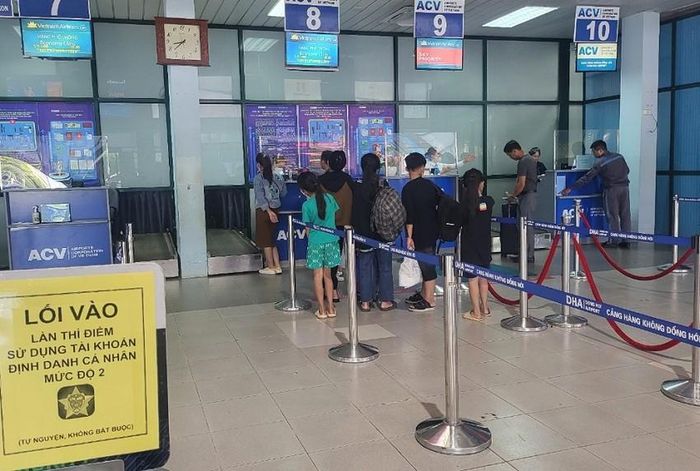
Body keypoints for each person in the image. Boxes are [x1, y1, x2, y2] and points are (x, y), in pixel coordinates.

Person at [561, 140, 631, 248]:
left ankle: (614, 241)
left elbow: (587, 178)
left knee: (612, 215)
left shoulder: (600, 163)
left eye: (593, 152)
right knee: (625, 215)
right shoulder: (619, 157)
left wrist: (571, 188)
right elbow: (627, 170)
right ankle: (626, 240)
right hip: (625, 188)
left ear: (600, 150)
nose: (593, 155)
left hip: (611, 190)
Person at [351, 153, 396, 312]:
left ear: (362, 166)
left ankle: (365, 302)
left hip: (363, 233)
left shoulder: (356, 186)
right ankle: (385, 301)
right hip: (383, 232)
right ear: (378, 167)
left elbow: (354, 212)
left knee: (364, 267)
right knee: (385, 267)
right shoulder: (383, 184)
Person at [298, 171, 340, 320]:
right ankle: (331, 308)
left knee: (317, 276)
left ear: (304, 190)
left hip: (316, 242)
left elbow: (308, 229)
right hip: (332, 241)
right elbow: (334, 217)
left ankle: (321, 310)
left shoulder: (306, 205)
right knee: (328, 276)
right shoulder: (330, 198)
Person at [402, 153, 440, 312]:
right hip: (432, 228)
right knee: (426, 263)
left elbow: (409, 215)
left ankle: (430, 300)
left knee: (427, 265)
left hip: (418, 231)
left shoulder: (407, 189)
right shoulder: (430, 185)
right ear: (422, 168)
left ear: (407, 168)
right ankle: (425, 294)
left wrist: (409, 236)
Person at [459, 169, 494, 321]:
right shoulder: (489, 201)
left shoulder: (464, 205)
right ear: (481, 184)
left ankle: (476, 312)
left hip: (469, 245)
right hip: (485, 243)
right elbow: (483, 205)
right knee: (483, 277)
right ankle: (485, 308)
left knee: (472, 279)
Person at [319, 150, 353, 301]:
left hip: (325, 225)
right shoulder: (349, 180)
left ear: (329, 162)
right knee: (336, 257)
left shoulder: (320, 181)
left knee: (324, 259)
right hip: (344, 225)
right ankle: (334, 291)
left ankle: (326, 289)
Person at [504, 140, 538, 263]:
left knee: (525, 226)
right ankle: (524, 253)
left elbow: (521, 183)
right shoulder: (529, 160)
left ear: (515, 151)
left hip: (527, 196)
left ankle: (528, 255)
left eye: (510, 155)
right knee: (523, 225)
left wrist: (513, 195)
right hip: (527, 195)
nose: (511, 158)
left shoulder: (524, 161)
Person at [253, 153, 287, 275]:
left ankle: (270, 266)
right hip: (276, 209)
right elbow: (283, 193)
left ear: (259, 165)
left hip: (264, 212)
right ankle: (277, 266)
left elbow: (260, 197)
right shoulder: (278, 177)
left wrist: (268, 211)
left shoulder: (258, 178)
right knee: (272, 240)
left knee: (265, 241)